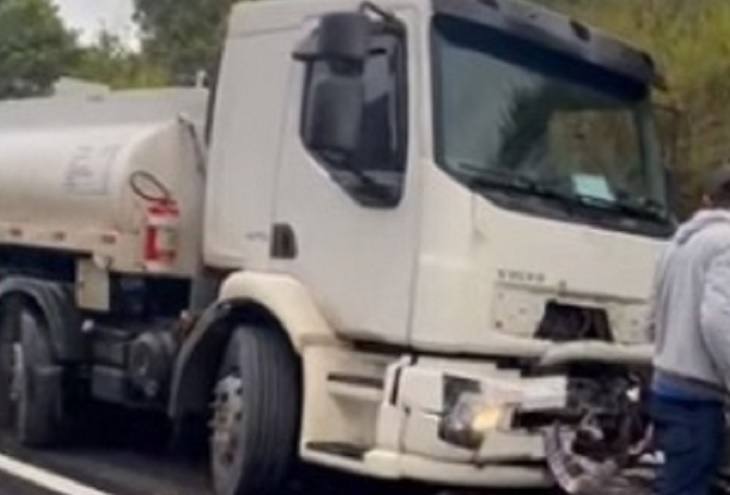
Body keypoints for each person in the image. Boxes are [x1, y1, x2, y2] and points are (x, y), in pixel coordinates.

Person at [647, 166, 730, 495]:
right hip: (698, 401)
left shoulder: (677, 244)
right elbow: (718, 319)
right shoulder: (725, 244)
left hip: (665, 389)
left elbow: (650, 319)